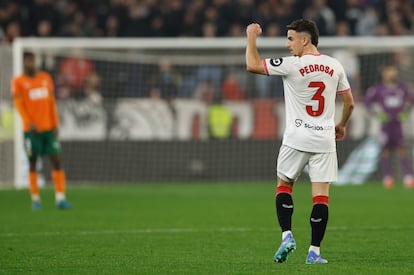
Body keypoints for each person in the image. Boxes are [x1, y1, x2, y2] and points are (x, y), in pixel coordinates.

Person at [246, 19, 354, 264]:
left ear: (305, 40)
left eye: (291, 39)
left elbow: (252, 65)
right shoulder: (335, 65)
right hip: (324, 139)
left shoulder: (293, 65)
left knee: (284, 186)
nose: (287, 45)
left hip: (296, 137)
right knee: (321, 197)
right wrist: (342, 125)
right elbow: (350, 103)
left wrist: (251, 35)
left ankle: (287, 236)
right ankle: (314, 252)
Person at [12, 52, 71, 210]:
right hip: (31, 132)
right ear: (23, 63)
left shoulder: (45, 78)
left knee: (56, 161)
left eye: (33, 60)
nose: (31, 64)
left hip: (48, 129)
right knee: (33, 163)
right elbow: (19, 105)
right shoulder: (19, 82)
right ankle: (35, 199)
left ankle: (60, 198)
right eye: (28, 61)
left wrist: (56, 124)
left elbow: (51, 103)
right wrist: (28, 122)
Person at [364, 64, 414, 189]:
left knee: (402, 149)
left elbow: (411, 100)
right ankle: (388, 177)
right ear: (384, 74)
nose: (392, 73)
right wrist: (378, 114)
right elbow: (367, 102)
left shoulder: (403, 88)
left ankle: (408, 177)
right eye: (389, 71)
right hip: (385, 124)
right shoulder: (378, 89)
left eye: (393, 71)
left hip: (399, 124)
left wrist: (405, 112)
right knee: (385, 150)